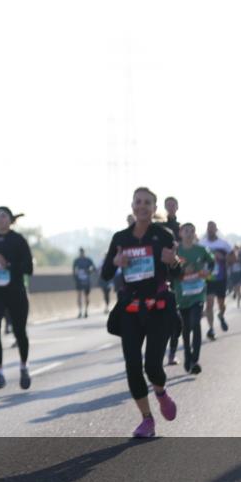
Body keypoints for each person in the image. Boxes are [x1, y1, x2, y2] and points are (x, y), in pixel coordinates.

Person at [101, 187, 181, 438]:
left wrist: (173, 262)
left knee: (153, 365)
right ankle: (147, 419)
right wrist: (115, 263)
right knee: (132, 365)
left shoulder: (163, 235)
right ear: (132, 206)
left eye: (148, 202)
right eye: (139, 202)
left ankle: (161, 393)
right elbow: (104, 274)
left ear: (154, 208)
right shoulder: (120, 238)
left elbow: (177, 275)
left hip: (158, 307)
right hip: (131, 308)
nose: (143, 206)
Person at [0, 207, 34, 390]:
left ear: (10, 219)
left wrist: (8, 264)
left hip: (15, 292)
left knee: (20, 331)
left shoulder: (18, 240)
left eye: (3, 216)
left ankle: (24, 367)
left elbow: (29, 268)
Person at [173, 224, 214, 374]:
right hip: (182, 295)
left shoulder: (201, 250)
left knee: (195, 322)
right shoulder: (176, 251)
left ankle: (194, 360)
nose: (189, 233)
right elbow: (169, 270)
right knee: (186, 328)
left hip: (198, 292)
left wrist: (206, 272)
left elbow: (212, 262)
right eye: (186, 231)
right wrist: (182, 271)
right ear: (180, 233)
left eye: (191, 231)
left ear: (194, 233)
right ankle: (187, 355)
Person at [199, 221, 232, 341]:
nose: (210, 230)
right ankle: (211, 329)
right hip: (208, 277)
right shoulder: (201, 243)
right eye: (208, 228)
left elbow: (233, 257)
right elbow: (197, 258)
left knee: (221, 304)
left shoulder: (224, 244)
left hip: (221, 277)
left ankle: (221, 315)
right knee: (209, 303)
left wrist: (224, 258)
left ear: (216, 229)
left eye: (212, 228)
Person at [159, 198, 182, 365]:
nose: (171, 207)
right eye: (168, 204)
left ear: (177, 207)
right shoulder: (159, 227)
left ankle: (172, 352)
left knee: (176, 320)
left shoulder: (182, 228)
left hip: (178, 275)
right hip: (161, 276)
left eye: (173, 204)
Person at [72, 248, 96, 318]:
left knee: (86, 296)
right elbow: (73, 270)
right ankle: (80, 311)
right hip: (79, 280)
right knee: (79, 295)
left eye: (82, 252)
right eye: (80, 252)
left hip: (86, 280)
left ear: (84, 252)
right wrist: (75, 278)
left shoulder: (88, 260)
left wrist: (88, 271)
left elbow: (94, 268)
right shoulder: (76, 260)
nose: (81, 254)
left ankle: (86, 311)